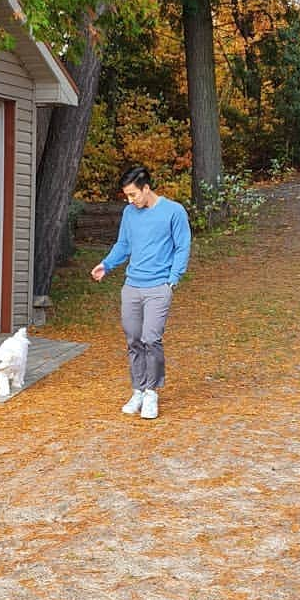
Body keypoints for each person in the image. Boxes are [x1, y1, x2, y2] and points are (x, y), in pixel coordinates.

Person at [90, 165, 191, 420]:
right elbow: (123, 244)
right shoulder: (129, 213)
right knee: (134, 340)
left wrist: (172, 280)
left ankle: (151, 393)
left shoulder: (174, 212)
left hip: (158, 288)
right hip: (132, 287)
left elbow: (182, 247)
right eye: (127, 196)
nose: (130, 200)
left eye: (133, 194)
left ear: (147, 189)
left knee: (151, 339)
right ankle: (138, 389)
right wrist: (107, 264)